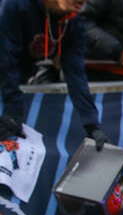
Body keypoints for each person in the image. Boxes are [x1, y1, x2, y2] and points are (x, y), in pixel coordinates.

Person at [0, 0, 107, 148]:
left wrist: (92, 124)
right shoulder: (16, 5)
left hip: (13, 81)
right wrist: (12, 112)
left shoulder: (73, 21)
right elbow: (6, 59)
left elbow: (76, 73)